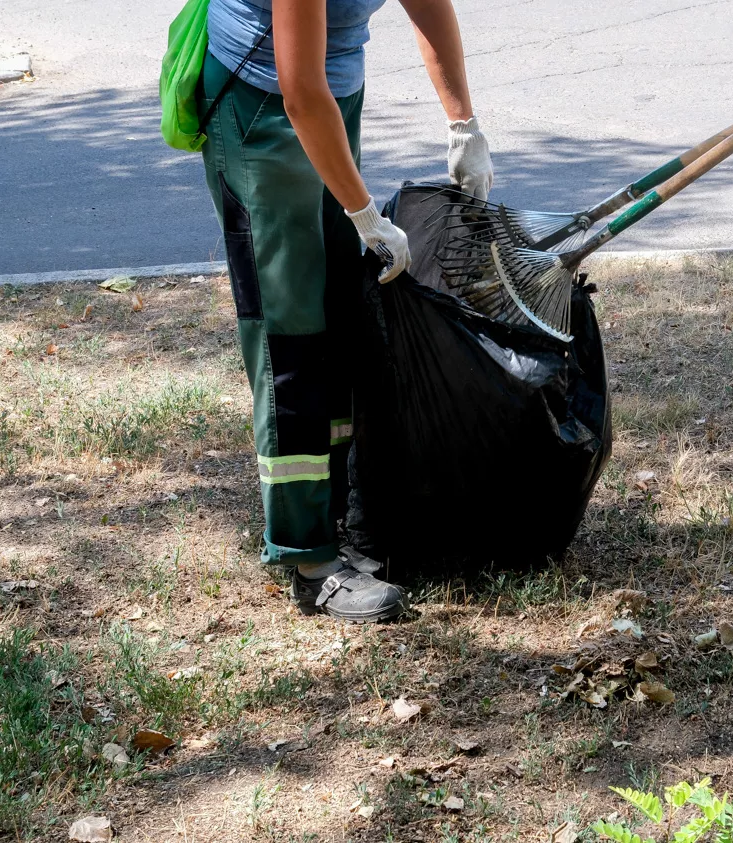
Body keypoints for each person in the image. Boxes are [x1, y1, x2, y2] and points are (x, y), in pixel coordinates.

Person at [199, 0, 493, 622]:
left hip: (331, 97)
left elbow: (427, 4)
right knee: (293, 329)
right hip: (265, 105)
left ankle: (336, 520)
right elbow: (300, 90)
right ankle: (309, 560)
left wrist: (463, 123)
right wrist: (363, 212)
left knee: (337, 313)